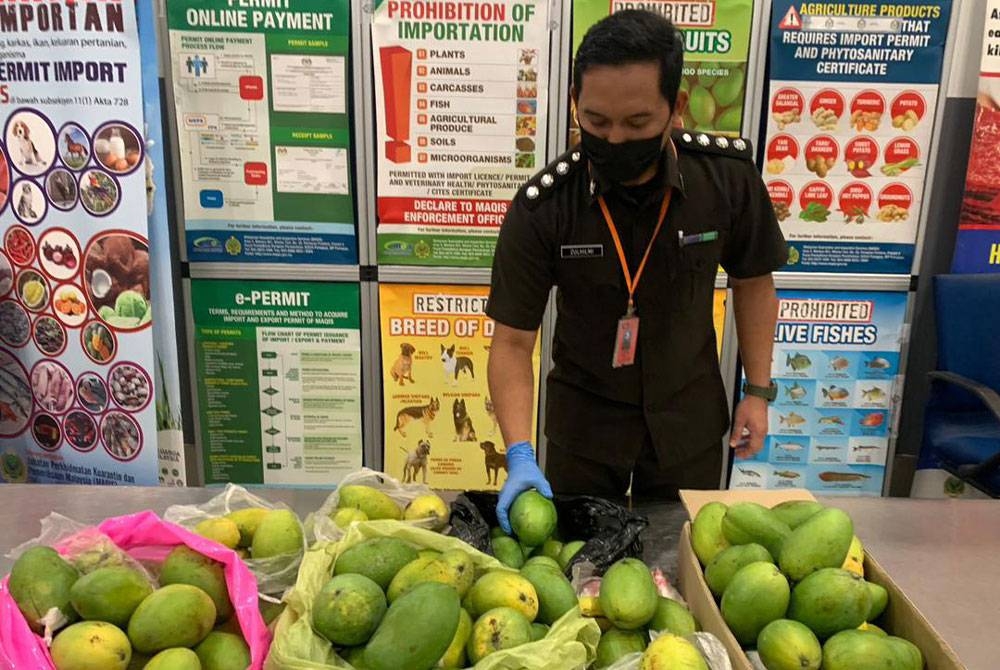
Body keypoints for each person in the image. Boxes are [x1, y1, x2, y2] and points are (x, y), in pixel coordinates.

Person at [486, 10, 787, 532]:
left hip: (688, 424)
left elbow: (754, 284)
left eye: (637, 122)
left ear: (678, 107)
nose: (615, 139)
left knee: (683, 570)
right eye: (597, 122)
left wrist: (757, 393)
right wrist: (518, 453)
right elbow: (512, 343)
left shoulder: (727, 181)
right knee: (576, 577)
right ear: (576, 104)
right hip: (584, 431)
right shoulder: (545, 206)